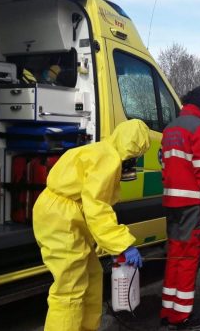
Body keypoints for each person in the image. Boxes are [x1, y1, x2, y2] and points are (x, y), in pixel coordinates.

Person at [33, 119, 150, 331]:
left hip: (65, 213)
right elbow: (97, 207)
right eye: (135, 156)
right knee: (70, 287)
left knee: (92, 275)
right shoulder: (108, 159)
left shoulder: (102, 151)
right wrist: (122, 244)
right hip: (60, 216)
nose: (134, 161)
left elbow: (88, 203)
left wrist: (106, 243)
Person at [159, 84, 200, 330]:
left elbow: (165, 165)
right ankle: (182, 317)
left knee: (174, 256)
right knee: (188, 259)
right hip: (192, 205)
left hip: (172, 202)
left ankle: (168, 310)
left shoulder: (171, 127)